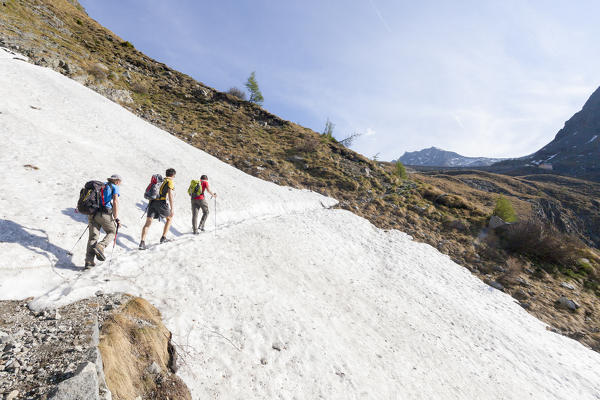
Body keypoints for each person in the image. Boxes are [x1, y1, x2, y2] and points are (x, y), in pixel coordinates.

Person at [85, 174, 121, 268]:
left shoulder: (101, 185)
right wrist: (116, 218)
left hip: (93, 213)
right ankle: (101, 246)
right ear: (117, 181)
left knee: (93, 237)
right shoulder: (114, 187)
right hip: (104, 213)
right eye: (120, 182)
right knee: (112, 231)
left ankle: (89, 262)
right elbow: (115, 202)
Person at [139, 168, 176, 249]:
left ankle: (142, 243)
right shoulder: (169, 181)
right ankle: (163, 237)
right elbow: (170, 195)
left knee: (148, 223)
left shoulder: (160, 180)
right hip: (161, 203)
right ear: (173, 175)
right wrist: (172, 208)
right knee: (169, 218)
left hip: (152, 202)